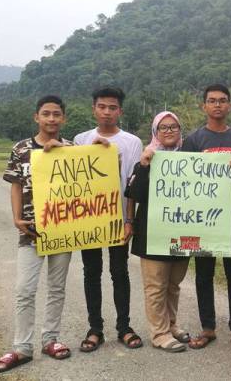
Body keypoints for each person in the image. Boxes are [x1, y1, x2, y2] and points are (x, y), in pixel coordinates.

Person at [0, 95, 72, 373]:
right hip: (31, 230)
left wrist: (100, 148)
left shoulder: (71, 149)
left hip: (63, 231)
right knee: (25, 290)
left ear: (64, 119)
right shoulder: (21, 148)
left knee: (57, 288)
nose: (51, 119)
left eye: (56, 114)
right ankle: (22, 347)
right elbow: (15, 185)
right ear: (36, 117)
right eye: (46, 114)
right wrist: (16, 218)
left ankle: (51, 339)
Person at [74, 86, 143, 352]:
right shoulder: (81, 139)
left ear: (120, 111)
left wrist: (129, 220)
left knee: (119, 271)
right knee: (91, 271)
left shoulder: (132, 142)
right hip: (89, 218)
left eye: (112, 107)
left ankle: (124, 326)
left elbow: (131, 186)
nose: (106, 112)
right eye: (102, 106)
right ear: (94, 108)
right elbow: (76, 181)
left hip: (117, 218)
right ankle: (95, 328)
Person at [181, 83, 231, 350]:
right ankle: (207, 327)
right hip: (203, 221)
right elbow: (183, 180)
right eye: (212, 100)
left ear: (230, 105)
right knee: (204, 275)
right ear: (204, 106)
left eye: (222, 100)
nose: (217, 105)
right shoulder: (194, 140)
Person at [124, 111, 190, 352]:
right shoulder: (145, 160)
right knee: (155, 287)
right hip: (152, 234)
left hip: (182, 233)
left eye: (174, 126)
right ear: (155, 132)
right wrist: (143, 166)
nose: (169, 131)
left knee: (174, 284)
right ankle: (159, 333)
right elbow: (135, 195)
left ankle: (172, 324)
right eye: (163, 128)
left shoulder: (190, 159)